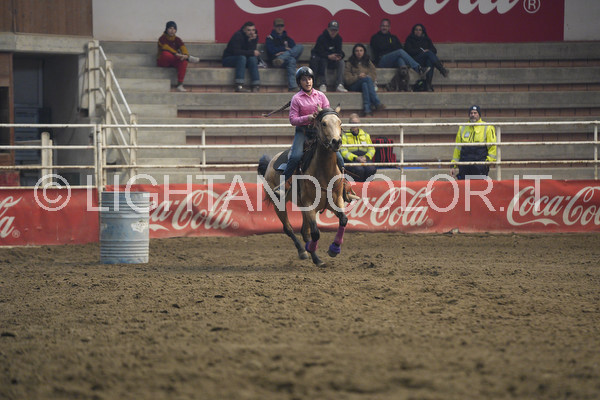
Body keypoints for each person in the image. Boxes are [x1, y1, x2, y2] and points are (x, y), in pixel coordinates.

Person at [273, 66, 345, 198]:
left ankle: (345, 187)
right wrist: (308, 118)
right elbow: (293, 120)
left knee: (339, 157)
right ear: (299, 82)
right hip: (303, 131)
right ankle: (283, 186)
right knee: (295, 156)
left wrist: (322, 116)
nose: (308, 82)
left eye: (310, 79)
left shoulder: (321, 96)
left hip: (320, 132)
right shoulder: (296, 98)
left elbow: (328, 114)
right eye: (304, 79)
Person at [451, 105, 497, 180]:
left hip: (480, 164)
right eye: (471, 113)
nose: (473, 115)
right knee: (464, 186)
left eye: (475, 113)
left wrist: (488, 162)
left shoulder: (487, 127)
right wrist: (453, 165)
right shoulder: (462, 127)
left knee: (479, 186)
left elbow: (492, 147)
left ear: (479, 114)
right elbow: (458, 148)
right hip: (465, 164)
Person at [404, 23, 449, 92]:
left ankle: (428, 85)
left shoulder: (426, 39)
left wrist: (427, 50)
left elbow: (434, 50)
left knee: (430, 60)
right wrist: (421, 51)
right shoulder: (409, 39)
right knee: (428, 54)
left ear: (422, 31)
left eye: (420, 30)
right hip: (414, 61)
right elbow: (408, 50)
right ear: (413, 31)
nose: (418, 31)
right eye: (416, 30)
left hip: (425, 60)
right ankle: (441, 69)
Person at [157, 21, 200, 92]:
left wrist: (185, 55)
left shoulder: (177, 39)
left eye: (174, 29)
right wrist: (176, 54)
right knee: (165, 53)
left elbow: (183, 48)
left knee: (184, 62)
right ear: (166, 29)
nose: (172, 30)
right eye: (170, 28)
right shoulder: (162, 38)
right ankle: (189, 58)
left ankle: (180, 85)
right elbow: (166, 47)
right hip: (163, 61)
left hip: (173, 60)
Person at [343, 43, 385, 117]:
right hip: (353, 85)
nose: (359, 53)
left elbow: (373, 74)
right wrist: (358, 77)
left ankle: (367, 111)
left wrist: (366, 76)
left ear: (364, 52)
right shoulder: (349, 63)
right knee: (366, 80)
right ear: (354, 52)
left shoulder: (368, 62)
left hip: (366, 83)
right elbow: (347, 79)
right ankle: (376, 102)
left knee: (365, 85)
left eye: (361, 50)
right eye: (357, 51)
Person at [265, 18, 304, 92]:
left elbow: (294, 50)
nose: (280, 28)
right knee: (292, 60)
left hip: (285, 59)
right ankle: (293, 86)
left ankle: (281, 58)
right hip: (275, 60)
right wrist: (284, 49)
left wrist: (284, 54)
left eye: (281, 26)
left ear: (284, 27)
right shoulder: (270, 38)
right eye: (278, 26)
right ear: (274, 27)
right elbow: (271, 50)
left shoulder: (287, 38)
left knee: (300, 47)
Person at [309, 20, 348, 93]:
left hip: (333, 60)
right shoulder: (321, 38)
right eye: (332, 30)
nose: (333, 32)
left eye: (335, 30)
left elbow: (339, 50)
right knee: (323, 60)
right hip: (323, 59)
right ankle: (323, 84)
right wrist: (328, 56)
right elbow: (318, 51)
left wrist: (339, 56)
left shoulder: (339, 39)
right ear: (328, 29)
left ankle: (339, 84)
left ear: (338, 31)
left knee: (341, 62)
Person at [222, 21, 261, 92]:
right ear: (244, 30)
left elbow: (251, 52)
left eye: (253, 30)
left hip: (244, 60)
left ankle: (256, 85)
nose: (251, 32)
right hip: (229, 59)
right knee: (242, 57)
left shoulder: (254, 37)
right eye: (249, 30)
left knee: (252, 59)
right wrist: (252, 52)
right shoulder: (237, 36)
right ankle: (239, 85)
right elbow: (236, 52)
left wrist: (251, 41)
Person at [341, 113, 377, 182]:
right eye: (352, 123)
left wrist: (365, 157)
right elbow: (344, 152)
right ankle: (358, 187)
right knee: (359, 170)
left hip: (365, 159)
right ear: (349, 124)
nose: (354, 125)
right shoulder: (345, 136)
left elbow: (372, 149)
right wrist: (356, 158)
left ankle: (367, 187)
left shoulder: (366, 135)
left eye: (356, 123)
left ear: (359, 124)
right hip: (352, 160)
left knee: (371, 169)